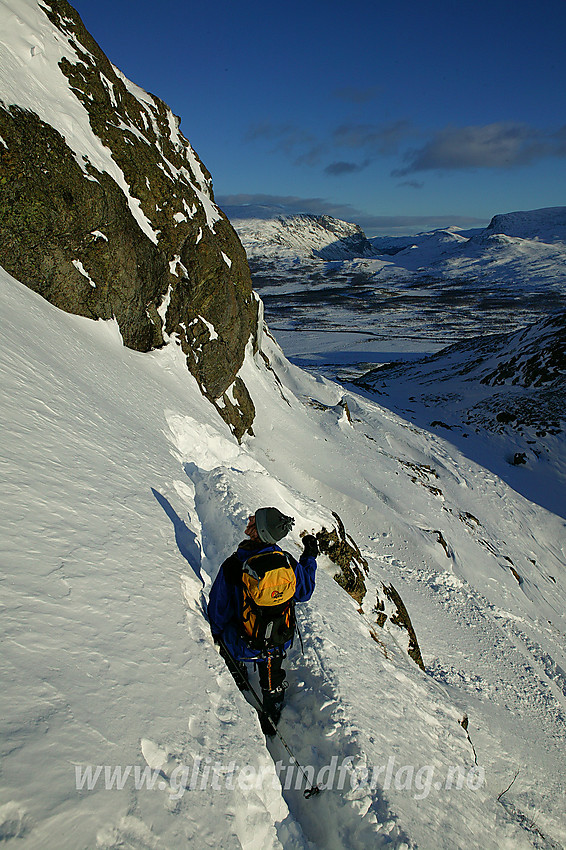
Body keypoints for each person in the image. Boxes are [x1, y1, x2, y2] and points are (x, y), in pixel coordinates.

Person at [208, 507, 318, 734]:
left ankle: (238, 675)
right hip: (278, 642)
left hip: (243, 644)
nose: (249, 520)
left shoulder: (234, 566)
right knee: (272, 673)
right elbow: (304, 592)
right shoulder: (287, 563)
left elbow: (218, 610)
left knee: (227, 633)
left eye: (254, 520)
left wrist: (218, 635)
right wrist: (309, 557)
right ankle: (273, 708)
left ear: (257, 531)